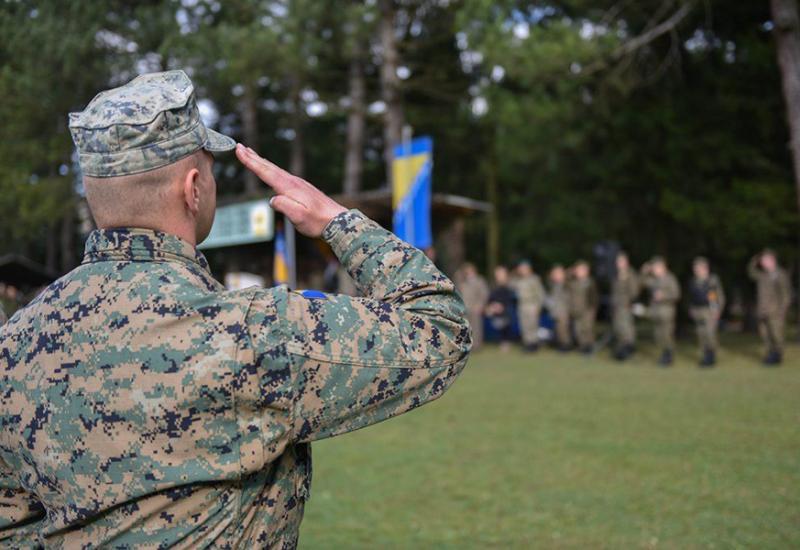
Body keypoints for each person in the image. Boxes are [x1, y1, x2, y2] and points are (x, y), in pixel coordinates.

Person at [0, 71, 471, 548]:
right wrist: (336, 221)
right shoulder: (252, 330)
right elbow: (440, 329)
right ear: (193, 189)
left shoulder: (13, 343)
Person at [748, 249, 792, 365]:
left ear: (772, 260)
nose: (763, 263)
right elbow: (751, 272)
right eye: (762, 261)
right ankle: (770, 354)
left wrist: (782, 310)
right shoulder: (762, 275)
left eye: (765, 260)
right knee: (765, 335)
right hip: (762, 311)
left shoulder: (780, 274)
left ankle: (778, 355)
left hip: (775, 311)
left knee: (776, 335)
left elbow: (786, 295)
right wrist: (755, 260)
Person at [642, 257, 681, 366]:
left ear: (662, 267)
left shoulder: (670, 278)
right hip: (656, 312)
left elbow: (677, 294)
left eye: (656, 267)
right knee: (658, 335)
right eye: (653, 268)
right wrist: (644, 272)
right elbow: (643, 283)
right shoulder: (653, 280)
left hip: (667, 311)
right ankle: (664, 353)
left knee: (667, 334)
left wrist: (664, 296)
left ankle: (669, 356)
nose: (654, 270)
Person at [688, 257, 726, 367]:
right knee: (701, 334)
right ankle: (705, 355)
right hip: (698, 310)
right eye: (695, 268)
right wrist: (691, 309)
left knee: (710, 334)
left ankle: (711, 355)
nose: (697, 270)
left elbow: (719, 296)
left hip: (710, 310)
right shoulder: (694, 281)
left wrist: (718, 310)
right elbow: (692, 297)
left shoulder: (712, 280)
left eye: (699, 268)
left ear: (705, 268)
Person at [610, 252, 640, 361]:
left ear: (626, 262)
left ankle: (629, 348)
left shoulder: (630, 274)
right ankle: (621, 348)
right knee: (618, 327)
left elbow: (634, 292)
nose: (619, 264)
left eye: (621, 261)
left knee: (626, 328)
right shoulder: (616, 274)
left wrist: (626, 280)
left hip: (625, 306)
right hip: (616, 306)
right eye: (617, 261)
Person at [511, 260, 546, 352]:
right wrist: (514, 273)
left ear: (529, 269)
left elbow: (540, 294)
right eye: (521, 269)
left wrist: (538, 306)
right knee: (524, 325)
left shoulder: (534, 279)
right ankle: (527, 343)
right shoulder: (518, 280)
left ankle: (534, 344)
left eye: (524, 268)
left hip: (532, 305)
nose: (522, 270)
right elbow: (510, 285)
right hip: (522, 305)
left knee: (532, 325)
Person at [567, 260, 598, 354]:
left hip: (587, 309)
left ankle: (590, 346)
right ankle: (582, 346)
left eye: (581, 270)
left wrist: (592, 309)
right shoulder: (573, 282)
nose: (579, 272)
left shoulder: (589, 282)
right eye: (577, 270)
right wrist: (570, 272)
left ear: (586, 271)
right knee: (578, 329)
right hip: (576, 309)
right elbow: (564, 281)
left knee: (587, 328)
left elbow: (594, 297)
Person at [457, 262, 490, 350]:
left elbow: (484, 294)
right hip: (464, 308)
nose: (467, 272)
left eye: (469, 270)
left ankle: (477, 345)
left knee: (476, 327)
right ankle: (466, 345)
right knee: (465, 327)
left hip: (475, 307)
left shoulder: (479, 280)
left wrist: (480, 305)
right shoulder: (462, 282)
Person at [486, 265, 516, 351]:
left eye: (501, 274)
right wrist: (491, 306)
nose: (498, 276)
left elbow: (511, 298)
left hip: (506, 310)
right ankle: (501, 340)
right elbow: (490, 298)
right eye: (497, 274)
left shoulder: (510, 285)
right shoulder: (493, 286)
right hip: (495, 309)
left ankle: (506, 341)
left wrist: (501, 306)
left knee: (505, 321)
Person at [547, 264, 571, 351]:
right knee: (558, 329)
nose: (556, 276)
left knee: (563, 329)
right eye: (554, 274)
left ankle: (566, 345)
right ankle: (561, 344)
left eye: (558, 274)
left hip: (564, 310)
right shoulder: (553, 285)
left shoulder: (566, 284)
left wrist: (567, 273)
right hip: (556, 311)